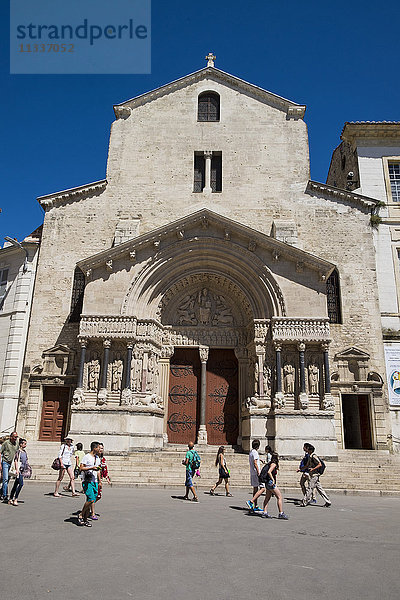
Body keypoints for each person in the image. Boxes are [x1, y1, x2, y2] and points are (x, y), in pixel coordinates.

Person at [258, 452, 289, 520]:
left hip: (267, 482)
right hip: (270, 482)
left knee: (267, 498)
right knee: (279, 497)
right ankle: (281, 513)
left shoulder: (269, 463)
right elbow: (269, 472)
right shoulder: (274, 464)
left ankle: (265, 512)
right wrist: (273, 479)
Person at [78, 441, 101, 527]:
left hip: (94, 481)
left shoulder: (97, 458)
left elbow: (98, 470)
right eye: (99, 447)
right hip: (87, 481)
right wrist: (91, 467)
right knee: (91, 499)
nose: (100, 449)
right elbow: (81, 468)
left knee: (90, 501)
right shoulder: (86, 457)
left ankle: (85, 519)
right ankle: (81, 514)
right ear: (94, 448)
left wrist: (99, 481)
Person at [302, 443, 331, 507]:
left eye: (307, 449)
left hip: (315, 475)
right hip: (313, 475)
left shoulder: (313, 456)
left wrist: (313, 469)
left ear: (310, 450)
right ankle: (328, 501)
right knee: (320, 489)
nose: (306, 450)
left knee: (310, 488)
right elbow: (307, 465)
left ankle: (305, 502)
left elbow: (319, 464)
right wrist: (300, 469)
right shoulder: (310, 456)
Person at [91, 442, 111, 520]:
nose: (101, 450)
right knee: (94, 496)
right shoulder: (94, 457)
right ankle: (92, 512)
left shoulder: (102, 459)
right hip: (94, 479)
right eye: (100, 448)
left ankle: (88, 506)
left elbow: (104, 469)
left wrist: (106, 477)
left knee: (98, 496)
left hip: (100, 479)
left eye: (102, 448)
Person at [8, 438, 29, 506]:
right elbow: (16, 460)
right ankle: (15, 498)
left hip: (23, 470)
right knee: (21, 484)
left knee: (16, 484)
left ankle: (10, 498)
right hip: (19, 470)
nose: (25, 445)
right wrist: (17, 470)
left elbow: (26, 460)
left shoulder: (24, 452)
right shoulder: (18, 452)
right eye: (24, 444)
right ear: (21, 444)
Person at [0, 431, 19, 502]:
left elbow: (17, 453)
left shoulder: (16, 443)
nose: (15, 439)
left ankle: (1, 492)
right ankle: (5, 495)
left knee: (7, 479)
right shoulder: (6, 443)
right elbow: (0, 452)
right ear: (11, 437)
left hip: (12, 463)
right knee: (5, 479)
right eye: (14, 437)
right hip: (5, 462)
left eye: (16, 437)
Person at [247, 439, 264, 512]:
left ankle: (255, 506)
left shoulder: (251, 452)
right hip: (256, 473)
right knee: (263, 488)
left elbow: (255, 460)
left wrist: (260, 460)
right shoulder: (255, 453)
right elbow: (255, 462)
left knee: (255, 488)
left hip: (252, 472)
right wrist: (258, 471)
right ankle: (251, 501)